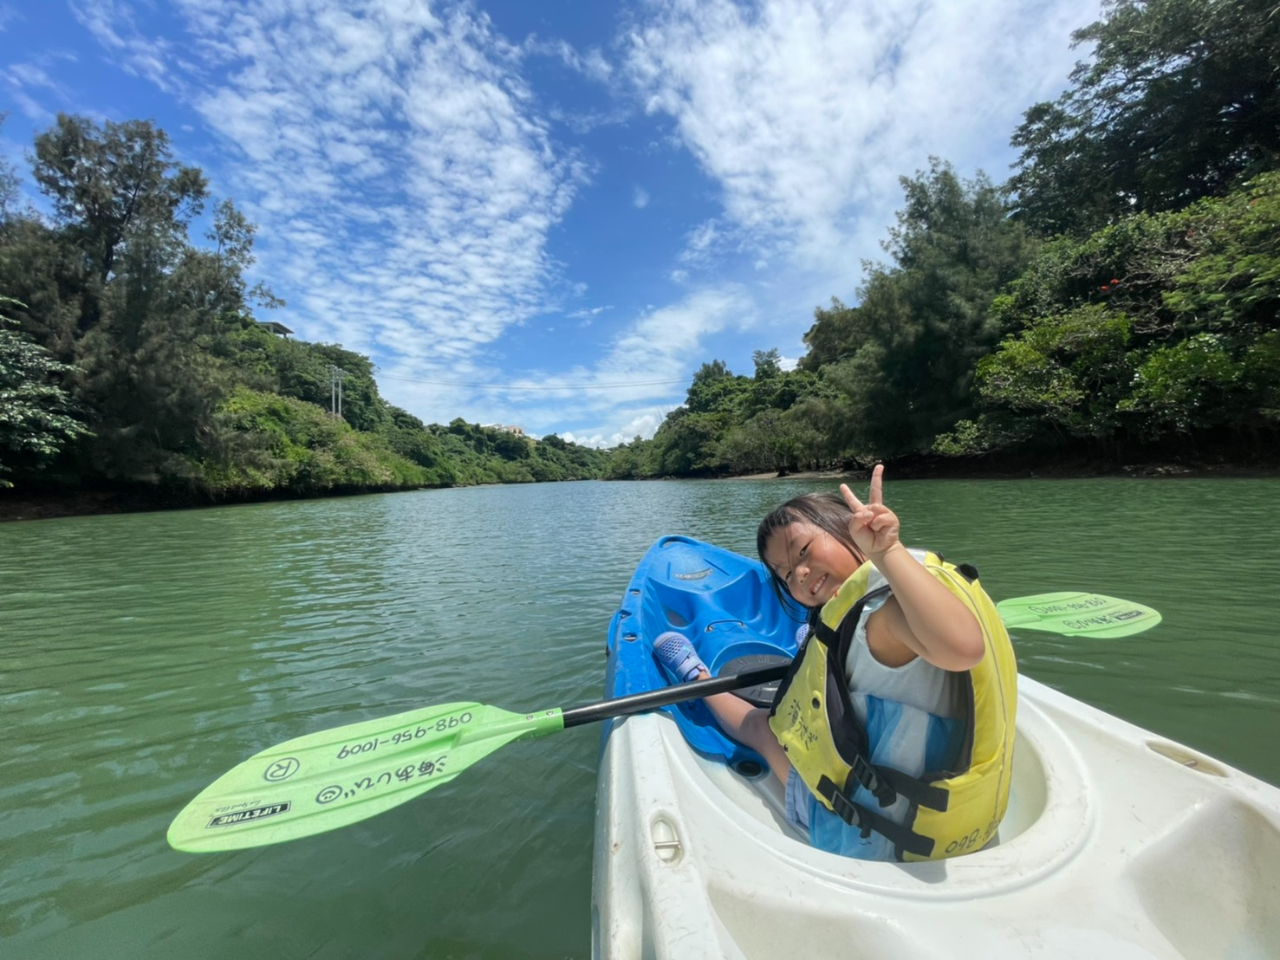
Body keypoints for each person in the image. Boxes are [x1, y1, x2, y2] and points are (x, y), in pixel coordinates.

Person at [654, 464, 1018, 861]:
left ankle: (695, 673)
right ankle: (820, 645)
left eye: (804, 551)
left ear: (848, 527)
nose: (800, 573)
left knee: (761, 726)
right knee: (831, 638)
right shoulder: (917, 588)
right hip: (952, 819)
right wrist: (887, 557)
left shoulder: (881, 621)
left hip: (862, 831)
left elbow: (963, 647)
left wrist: (888, 550)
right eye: (787, 573)